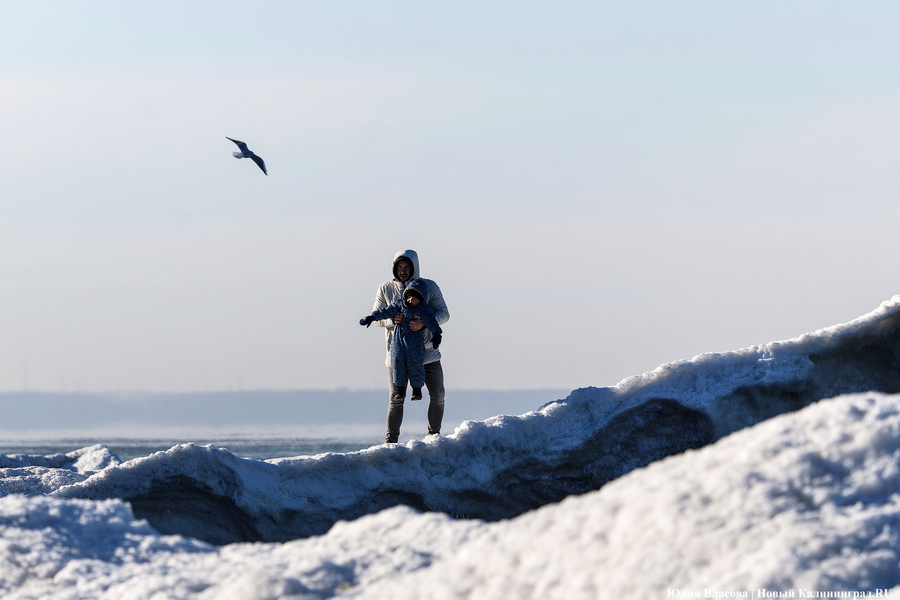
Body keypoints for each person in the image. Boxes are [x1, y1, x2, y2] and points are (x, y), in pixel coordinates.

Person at [369, 250, 449, 443]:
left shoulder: (429, 286)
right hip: (397, 356)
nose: (403, 271)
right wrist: (391, 319)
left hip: (427, 353)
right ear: (394, 268)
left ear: (414, 267)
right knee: (396, 400)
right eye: (399, 267)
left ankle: (433, 437)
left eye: (406, 267)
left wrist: (424, 322)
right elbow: (375, 317)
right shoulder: (385, 289)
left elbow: (444, 314)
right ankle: (391, 443)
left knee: (438, 394)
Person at [360, 279, 443, 402]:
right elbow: (386, 312)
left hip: (415, 343)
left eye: (414, 298)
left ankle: (416, 389)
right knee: (398, 364)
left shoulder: (424, 310)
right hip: (398, 343)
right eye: (409, 298)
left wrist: (437, 334)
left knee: (415, 364)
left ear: (421, 299)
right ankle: (399, 389)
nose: (410, 300)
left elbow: (432, 322)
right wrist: (372, 317)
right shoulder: (399, 305)